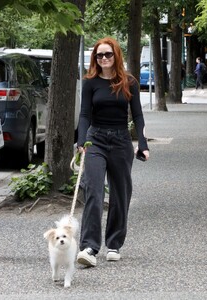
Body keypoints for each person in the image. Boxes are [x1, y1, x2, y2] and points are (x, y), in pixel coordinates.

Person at [76, 37, 149, 267]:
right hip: (95, 140)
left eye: (108, 54)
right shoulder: (90, 83)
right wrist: (80, 142)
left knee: (120, 194)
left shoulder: (129, 82)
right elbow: (85, 114)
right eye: (99, 55)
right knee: (94, 191)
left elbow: (137, 115)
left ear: (116, 55)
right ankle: (89, 247)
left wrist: (143, 143)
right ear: (95, 58)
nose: (104, 58)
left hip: (120, 141)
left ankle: (114, 244)